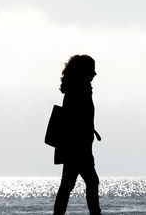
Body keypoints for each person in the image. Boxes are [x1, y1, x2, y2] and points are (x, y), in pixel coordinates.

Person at [52, 54, 102, 215]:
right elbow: (78, 118)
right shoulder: (81, 89)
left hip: (74, 145)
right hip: (79, 146)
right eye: (91, 70)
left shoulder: (74, 89)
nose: (94, 74)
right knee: (90, 182)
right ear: (83, 71)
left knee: (68, 184)